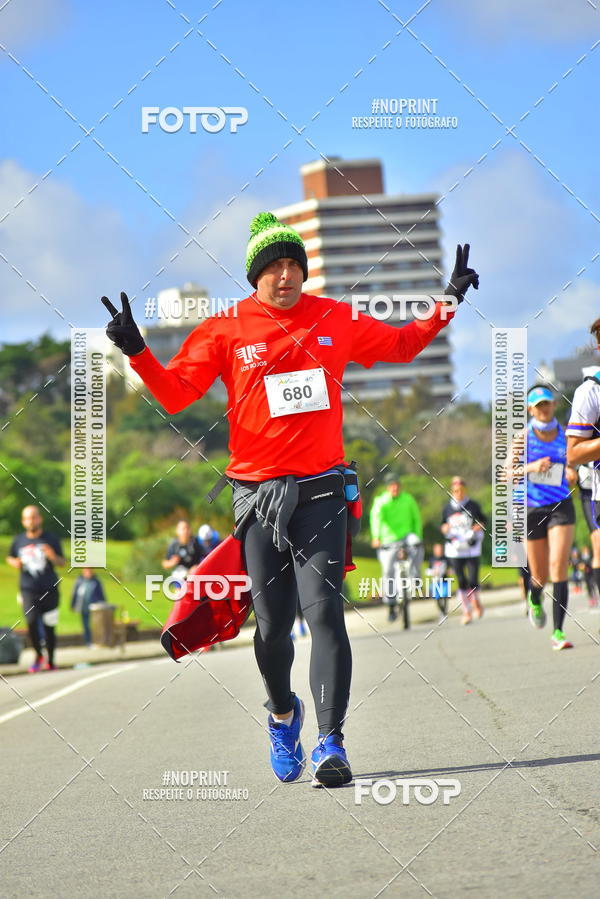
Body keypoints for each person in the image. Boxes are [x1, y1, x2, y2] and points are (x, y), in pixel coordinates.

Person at [102, 213, 478, 787]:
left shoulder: (333, 316)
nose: (284, 275)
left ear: (304, 271)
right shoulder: (226, 328)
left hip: (323, 489)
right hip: (256, 498)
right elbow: (178, 395)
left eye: (293, 265)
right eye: (273, 267)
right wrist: (138, 351)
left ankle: (332, 742)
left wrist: (448, 299)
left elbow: (404, 344)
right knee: (274, 626)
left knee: (324, 613)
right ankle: (283, 714)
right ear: (255, 276)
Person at [525, 385, 577, 649]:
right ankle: (534, 598)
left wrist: (571, 470)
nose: (544, 409)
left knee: (558, 566)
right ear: (530, 409)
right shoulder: (522, 437)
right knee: (540, 576)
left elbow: (574, 459)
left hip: (561, 505)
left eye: (547, 404)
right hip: (533, 509)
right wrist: (531, 467)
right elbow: (504, 473)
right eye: (539, 405)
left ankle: (558, 632)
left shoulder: (564, 434)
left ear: (554, 405)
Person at [6, 505, 65, 672]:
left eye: (33, 517)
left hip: (49, 589)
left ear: (40, 519)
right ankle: (38, 655)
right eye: (27, 518)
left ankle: (51, 660)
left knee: (49, 626)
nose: (31, 521)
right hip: (28, 589)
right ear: (23, 521)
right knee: (31, 621)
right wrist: (14, 562)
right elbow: (10, 557)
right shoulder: (19, 540)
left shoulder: (51, 539)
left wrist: (52, 556)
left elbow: (62, 562)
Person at [370, 473, 423, 622]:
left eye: (397, 485)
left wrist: (418, 535)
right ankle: (391, 605)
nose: (395, 488)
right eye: (392, 485)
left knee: (417, 545)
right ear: (387, 487)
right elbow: (376, 519)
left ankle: (415, 577)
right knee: (388, 571)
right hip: (388, 540)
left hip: (407, 536)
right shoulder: (381, 501)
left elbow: (416, 518)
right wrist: (376, 537)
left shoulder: (408, 499)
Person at [441, 477, 486, 624]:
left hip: (471, 547)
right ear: (452, 491)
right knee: (461, 581)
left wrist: (479, 526)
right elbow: (442, 525)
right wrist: (444, 528)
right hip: (455, 549)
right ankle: (466, 611)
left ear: (464, 490)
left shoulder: (473, 505)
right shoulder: (447, 508)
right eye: (455, 490)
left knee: (473, 580)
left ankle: (476, 600)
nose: (458, 493)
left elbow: (483, 521)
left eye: (460, 490)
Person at [163, 520, 205, 587]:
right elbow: (165, 563)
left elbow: (205, 558)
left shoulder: (196, 542)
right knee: (177, 575)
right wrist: (172, 562)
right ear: (177, 531)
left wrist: (197, 566)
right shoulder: (174, 545)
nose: (185, 531)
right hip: (181, 573)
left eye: (187, 528)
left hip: (196, 572)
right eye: (183, 529)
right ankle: (179, 593)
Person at [71, 568, 107, 647]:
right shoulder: (79, 581)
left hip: (94, 608)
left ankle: (97, 641)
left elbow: (101, 595)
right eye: (87, 571)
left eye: (90, 571)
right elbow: (74, 593)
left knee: (95, 626)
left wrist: (104, 605)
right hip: (83, 607)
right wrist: (72, 604)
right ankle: (88, 642)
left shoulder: (96, 582)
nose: (88, 572)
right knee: (86, 625)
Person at [426, 543, 451, 621]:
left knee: (444, 596)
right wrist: (432, 572)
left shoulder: (446, 559)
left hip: (444, 581)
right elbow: (427, 571)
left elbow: (451, 568)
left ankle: (444, 612)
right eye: (437, 549)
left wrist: (449, 571)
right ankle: (442, 611)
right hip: (435, 581)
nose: (439, 551)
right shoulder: (432, 559)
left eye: (440, 549)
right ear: (434, 550)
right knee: (437, 598)